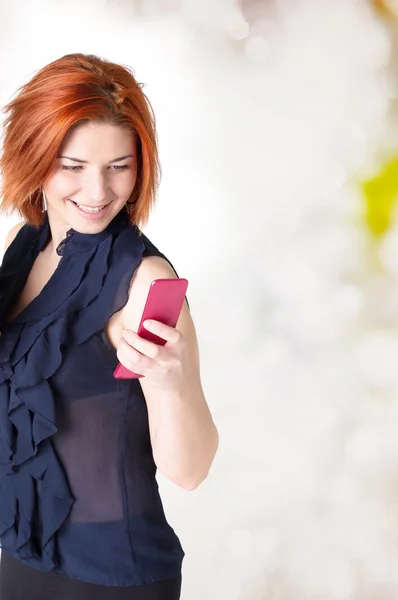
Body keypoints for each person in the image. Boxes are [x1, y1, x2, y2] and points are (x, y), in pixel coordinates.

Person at [0, 53, 219, 599]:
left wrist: (172, 383)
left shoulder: (143, 279)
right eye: (72, 166)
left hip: (115, 578)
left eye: (119, 166)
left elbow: (190, 470)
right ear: (33, 154)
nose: (97, 193)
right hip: (24, 559)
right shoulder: (26, 247)